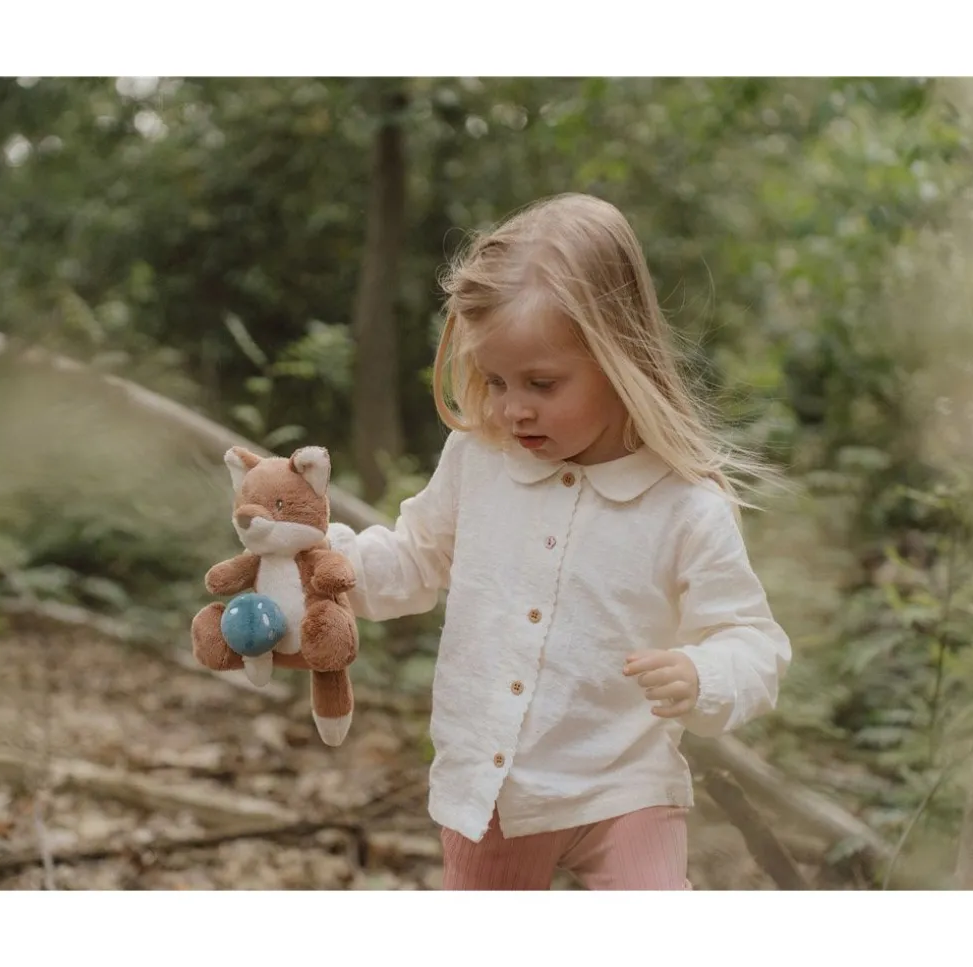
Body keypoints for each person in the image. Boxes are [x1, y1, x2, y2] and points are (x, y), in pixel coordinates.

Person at [327, 193, 792, 890]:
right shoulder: (479, 460)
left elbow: (753, 640)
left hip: (625, 786)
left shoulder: (685, 505)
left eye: (541, 383)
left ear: (617, 357)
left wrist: (705, 674)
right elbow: (415, 558)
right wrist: (332, 564)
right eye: (496, 380)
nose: (512, 407)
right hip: (494, 788)